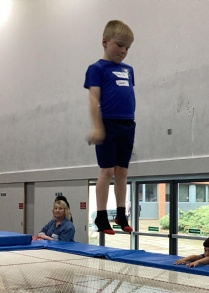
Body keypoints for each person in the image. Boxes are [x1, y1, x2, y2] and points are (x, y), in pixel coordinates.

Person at [84, 20, 136, 235]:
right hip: (108, 123)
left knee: (122, 171)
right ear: (105, 42)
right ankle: (101, 215)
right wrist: (97, 126)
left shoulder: (129, 70)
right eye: (119, 45)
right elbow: (93, 98)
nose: (124, 51)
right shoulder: (96, 69)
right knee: (107, 170)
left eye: (127, 48)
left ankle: (121, 214)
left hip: (128, 124)